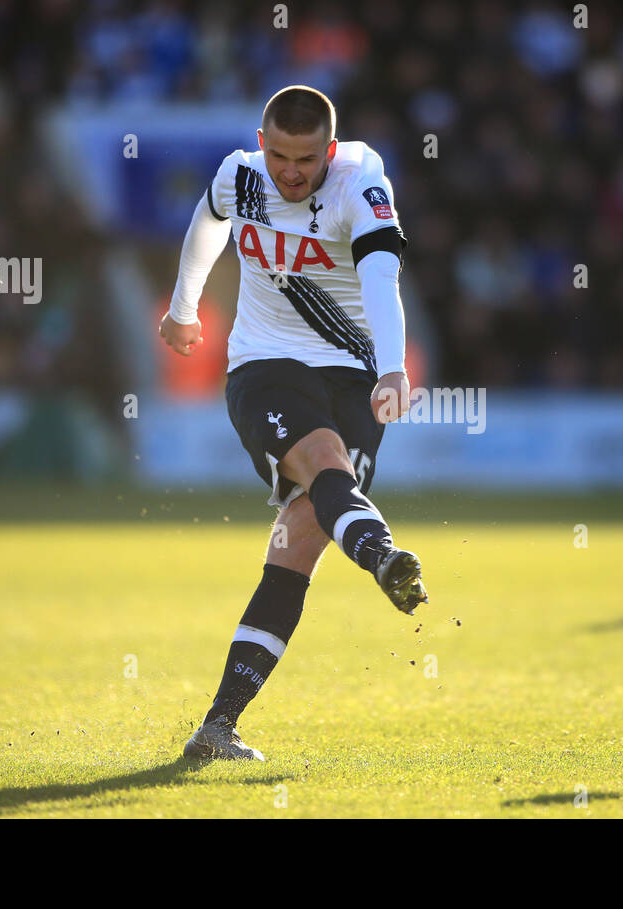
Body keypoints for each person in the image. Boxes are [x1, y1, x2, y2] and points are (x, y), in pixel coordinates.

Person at [159, 85, 428, 761]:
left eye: (305, 158)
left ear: (328, 150)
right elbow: (206, 221)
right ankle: (382, 555)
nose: (290, 170)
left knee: (298, 546)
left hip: (356, 376)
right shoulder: (240, 175)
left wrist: (392, 367)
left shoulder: (359, 181)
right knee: (323, 464)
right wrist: (183, 306)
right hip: (265, 366)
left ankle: (217, 726)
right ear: (261, 141)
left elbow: (380, 277)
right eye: (278, 153)